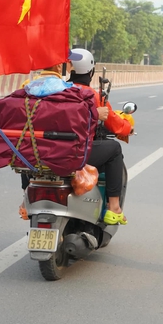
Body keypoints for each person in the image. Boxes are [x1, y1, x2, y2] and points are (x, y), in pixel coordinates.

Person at [67, 48, 133, 225]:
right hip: (77, 152)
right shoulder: (92, 96)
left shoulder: (56, 91)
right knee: (114, 149)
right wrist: (128, 127)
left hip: (48, 151)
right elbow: (115, 124)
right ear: (91, 71)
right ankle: (114, 207)